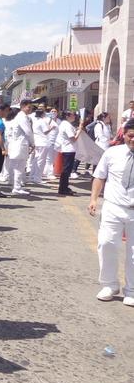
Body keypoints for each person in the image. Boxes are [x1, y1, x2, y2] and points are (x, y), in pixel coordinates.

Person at [88, 118, 134, 307]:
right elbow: (100, 177)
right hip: (113, 206)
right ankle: (109, 284)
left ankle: (131, 289)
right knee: (107, 244)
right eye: (131, 136)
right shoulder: (112, 153)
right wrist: (93, 199)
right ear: (124, 135)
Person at [4, 105, 33, 195]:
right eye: (29, 107)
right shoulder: (22, 117)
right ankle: (16, 187)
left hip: (14, 144)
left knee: (13, 165)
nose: (30, 109)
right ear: (23, 107)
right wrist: (33, 143)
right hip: (20, 145)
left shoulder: (15, 119)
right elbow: (28, 132)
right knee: (20, 167)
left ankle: (12, 182)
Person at [57, 111, 83, 196]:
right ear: (67, 116)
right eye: (73, 115)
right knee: (66, 170)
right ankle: (63, 188)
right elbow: (73, 138)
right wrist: (79, 130)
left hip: (69, 149)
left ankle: (65, 187)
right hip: (68, 149)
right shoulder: (66, 125)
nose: (74, 116)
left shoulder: (66, 124)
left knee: (67, 170)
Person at [30, 107, 55, 184]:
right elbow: (45, 132)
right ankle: (37, 177)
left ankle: (33, 175)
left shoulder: (35, 121)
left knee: (36, 159)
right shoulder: (42, 121)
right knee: (41, 160)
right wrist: (51, 128)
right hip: (43, 142)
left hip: (37, 141)